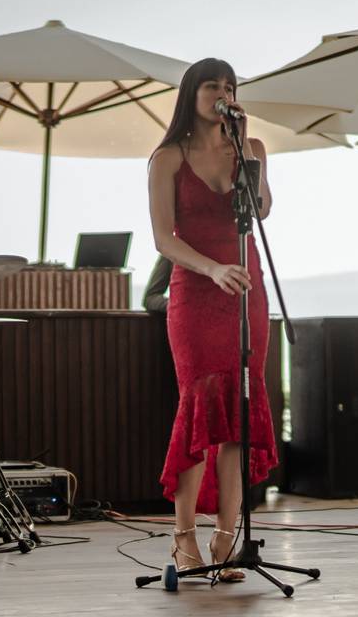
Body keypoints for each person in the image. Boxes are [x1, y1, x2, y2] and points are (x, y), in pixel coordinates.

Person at [147, 58, 275, 582]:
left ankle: (227, 539)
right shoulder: (167, 157)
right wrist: (212, 268)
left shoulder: (252, 150)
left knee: (239, 416)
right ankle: (183, 538)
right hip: (197, 293)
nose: (223, 92)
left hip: (247, 290)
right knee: (200, 408)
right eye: (212, 85)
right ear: (191, 94)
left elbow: (262, 211)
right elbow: (163, 238)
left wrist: (244, 150)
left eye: (230, 85)